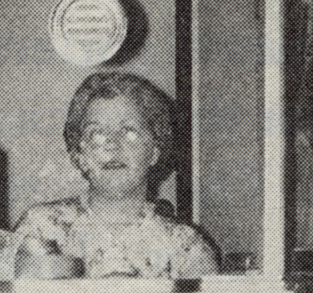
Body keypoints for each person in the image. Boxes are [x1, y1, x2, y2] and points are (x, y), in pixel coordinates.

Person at [15, 70, 219, 279]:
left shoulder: (186, 248)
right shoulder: (40, 228)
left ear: (154, 151)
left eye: (129, 132)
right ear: (80, 154)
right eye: (98, 133)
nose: (112, 145)